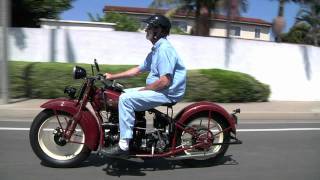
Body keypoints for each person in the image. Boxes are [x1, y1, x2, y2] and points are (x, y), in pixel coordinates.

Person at [103, 15, 187, 157]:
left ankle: (124, 144)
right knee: (119, 94)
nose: (146, 29)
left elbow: (165, 81)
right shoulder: (156, 50)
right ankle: (127, 130)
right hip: (161, 89)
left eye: (149, 26)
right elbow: (137, 70)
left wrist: (146, 89)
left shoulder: (164, 49)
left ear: (158, 30)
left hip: (167, 92)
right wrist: (112, 76)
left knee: (125, 99)